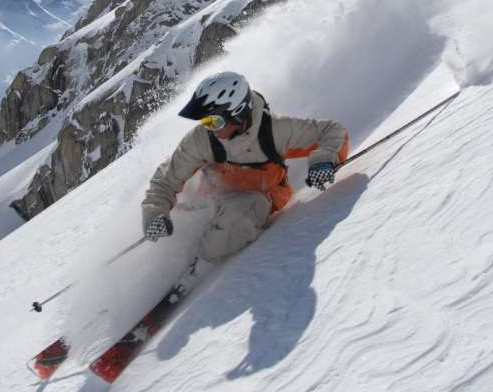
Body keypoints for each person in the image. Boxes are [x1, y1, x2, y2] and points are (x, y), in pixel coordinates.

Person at [141, 71, 349, 275]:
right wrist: (155, 210)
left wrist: (324, 160)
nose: (210, 129)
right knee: (185, 215)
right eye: (205, 122)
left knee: (229, 227)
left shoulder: (275, 130)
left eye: (215, 122)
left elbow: (331, 131)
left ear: (238, 114)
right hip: (212, 196)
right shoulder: (203, 139)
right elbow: (168, 176)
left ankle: (200, 264)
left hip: (258, 197)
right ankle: (182, 252)